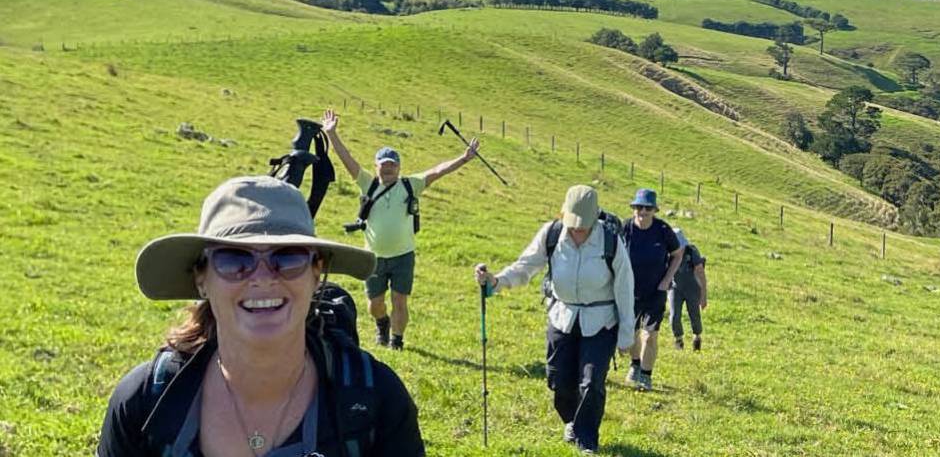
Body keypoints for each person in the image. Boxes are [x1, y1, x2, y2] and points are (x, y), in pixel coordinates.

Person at [99, 176, 424, 456]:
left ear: (316, 274)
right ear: (202, 279)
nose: (263, 278)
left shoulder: (377, 401)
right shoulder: (145, 402)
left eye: (288, 257)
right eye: (233, 259)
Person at [475, 186, 634, 455]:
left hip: (601, 321)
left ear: (595, 219)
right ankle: (571, 420)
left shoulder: (610, 241)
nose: (577, 231)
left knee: (591, 382)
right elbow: (526, 266)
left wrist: (626, 334)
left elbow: (625, 288)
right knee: (558, 381)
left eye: (583, 227)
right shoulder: (552, 234)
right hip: (562, 317)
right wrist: (496, 281)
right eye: (573, 225)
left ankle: (586, 439)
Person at [320, 109, 477, 350]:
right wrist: (331, 134)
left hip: (403, 255)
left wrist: (464, 158)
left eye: (393, 164)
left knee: (400, 300)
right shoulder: (367, 183)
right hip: (373, 256)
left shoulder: (410, 185)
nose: (388, 169)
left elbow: (438, 171)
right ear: (376, 166)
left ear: (399, 167)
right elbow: (347, 159)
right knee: (375, 304)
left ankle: (397, 340)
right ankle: (381, 323)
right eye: (384, 165)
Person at [620, 188, 682, 391]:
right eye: (639, 207)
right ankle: (635, 364)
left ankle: (646, 375)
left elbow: (677, 254)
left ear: (654, 210)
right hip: (629, 290)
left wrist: (667, 279)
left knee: (650, 334)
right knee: (632, 333)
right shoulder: (626, 228)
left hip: (656, 291)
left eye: (647, 208)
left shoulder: (663, 230)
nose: (642, 211)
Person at [669, 228, 708, 352]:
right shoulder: (668, 252)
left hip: (692, 288)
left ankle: (697, 337)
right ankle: (678, 340)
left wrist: (703, 295)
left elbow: (700, 273)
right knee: (674, 315)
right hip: (675, 287)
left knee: (694, 314)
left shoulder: (691, 252)